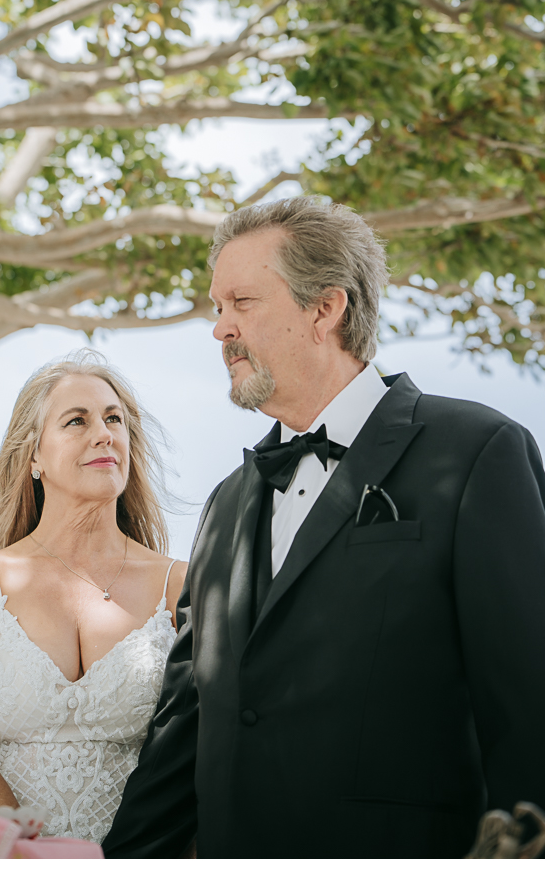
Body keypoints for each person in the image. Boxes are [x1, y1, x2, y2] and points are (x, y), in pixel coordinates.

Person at [103, 197, 544, 860]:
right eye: (217, 307)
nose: (220, 329)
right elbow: (187, 723)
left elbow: (531, 713)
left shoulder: (478, 451)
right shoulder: (226, 503)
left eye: (241, 302)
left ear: (324, 308)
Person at [0, 353, 186, 843]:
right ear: (33, 457)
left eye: (114, 419)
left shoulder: (180, 585)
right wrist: (37, 858)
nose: (104, 433)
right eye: (77, 421)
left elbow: (199, 754)